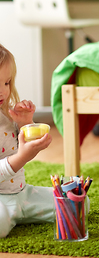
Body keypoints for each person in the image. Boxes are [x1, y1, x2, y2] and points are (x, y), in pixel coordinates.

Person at [0, 44, 53, 238]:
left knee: (76, 204)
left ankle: (16, 214)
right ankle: (9, 217)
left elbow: (21, 143)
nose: (3, 92)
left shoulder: (6, 114)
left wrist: (26, 124)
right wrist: (22, 157)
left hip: (23, 195)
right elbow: (20, 155)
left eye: (6, 83)